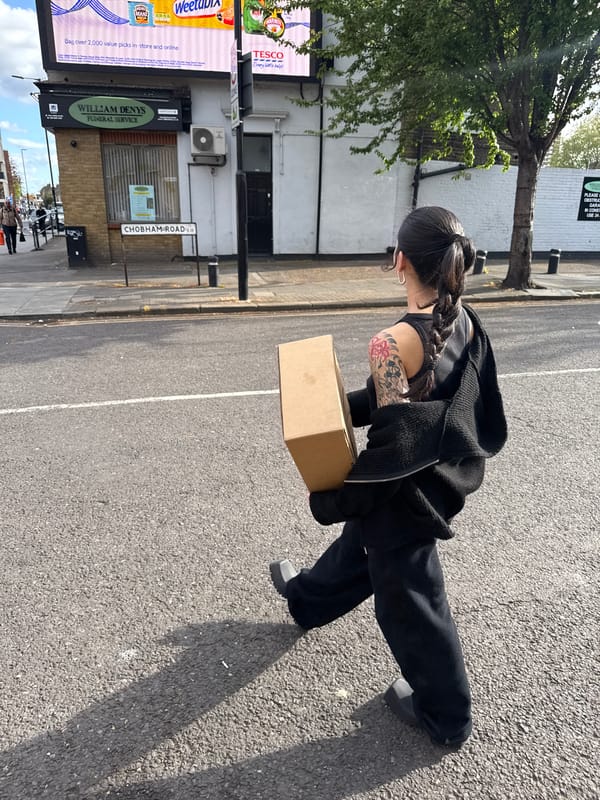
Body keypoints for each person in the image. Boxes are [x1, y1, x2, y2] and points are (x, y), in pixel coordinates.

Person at [270, 205, 508, 748]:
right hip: (434, 473)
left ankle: (447, 716)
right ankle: (307, 600)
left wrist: (334, 499)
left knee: (411, 604)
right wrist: (327, 405)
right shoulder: (464, 318)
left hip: (408, 496)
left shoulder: (389, 343)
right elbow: (400, 403)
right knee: (360, 550)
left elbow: (392, 446)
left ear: (399, 259)